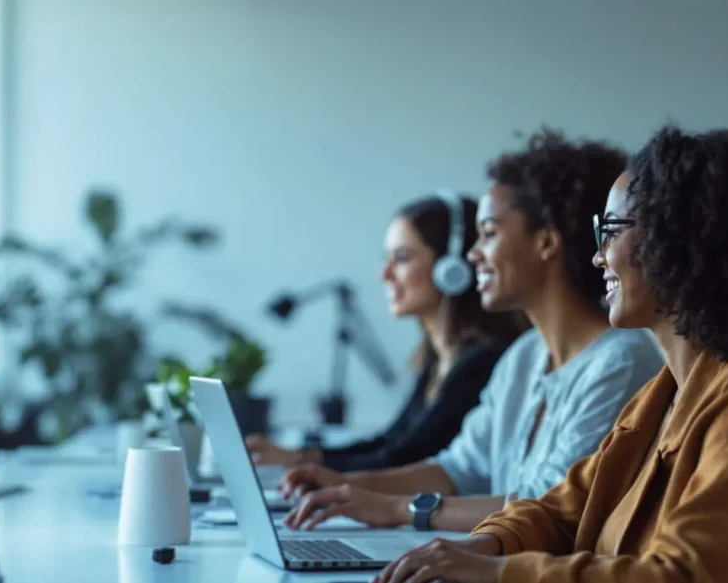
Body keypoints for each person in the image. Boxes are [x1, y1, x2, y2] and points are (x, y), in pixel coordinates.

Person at [375, 124, 728, 583]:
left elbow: (680, 575)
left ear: (681, 238)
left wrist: (499, 572)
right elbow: (564, 508)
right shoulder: (667, 392)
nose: (596, 256)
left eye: (610, 230)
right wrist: (485, 545)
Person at [279, 127, 665, 533]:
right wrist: (346, 486)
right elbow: (459, 468)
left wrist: (398, 509)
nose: (472, 254)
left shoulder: (620, 363)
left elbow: (549, 508)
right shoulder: (524, 355)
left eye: (490, 234)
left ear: (546, 244)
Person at [248, 193, 528, 472]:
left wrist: (310, 469)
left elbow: (405, 459)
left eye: (402, 258)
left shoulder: (483, 361)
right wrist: (297, 457)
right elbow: (390, 442)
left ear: (451, 269)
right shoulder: (439, 357)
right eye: (387, 259)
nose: (385, 274)